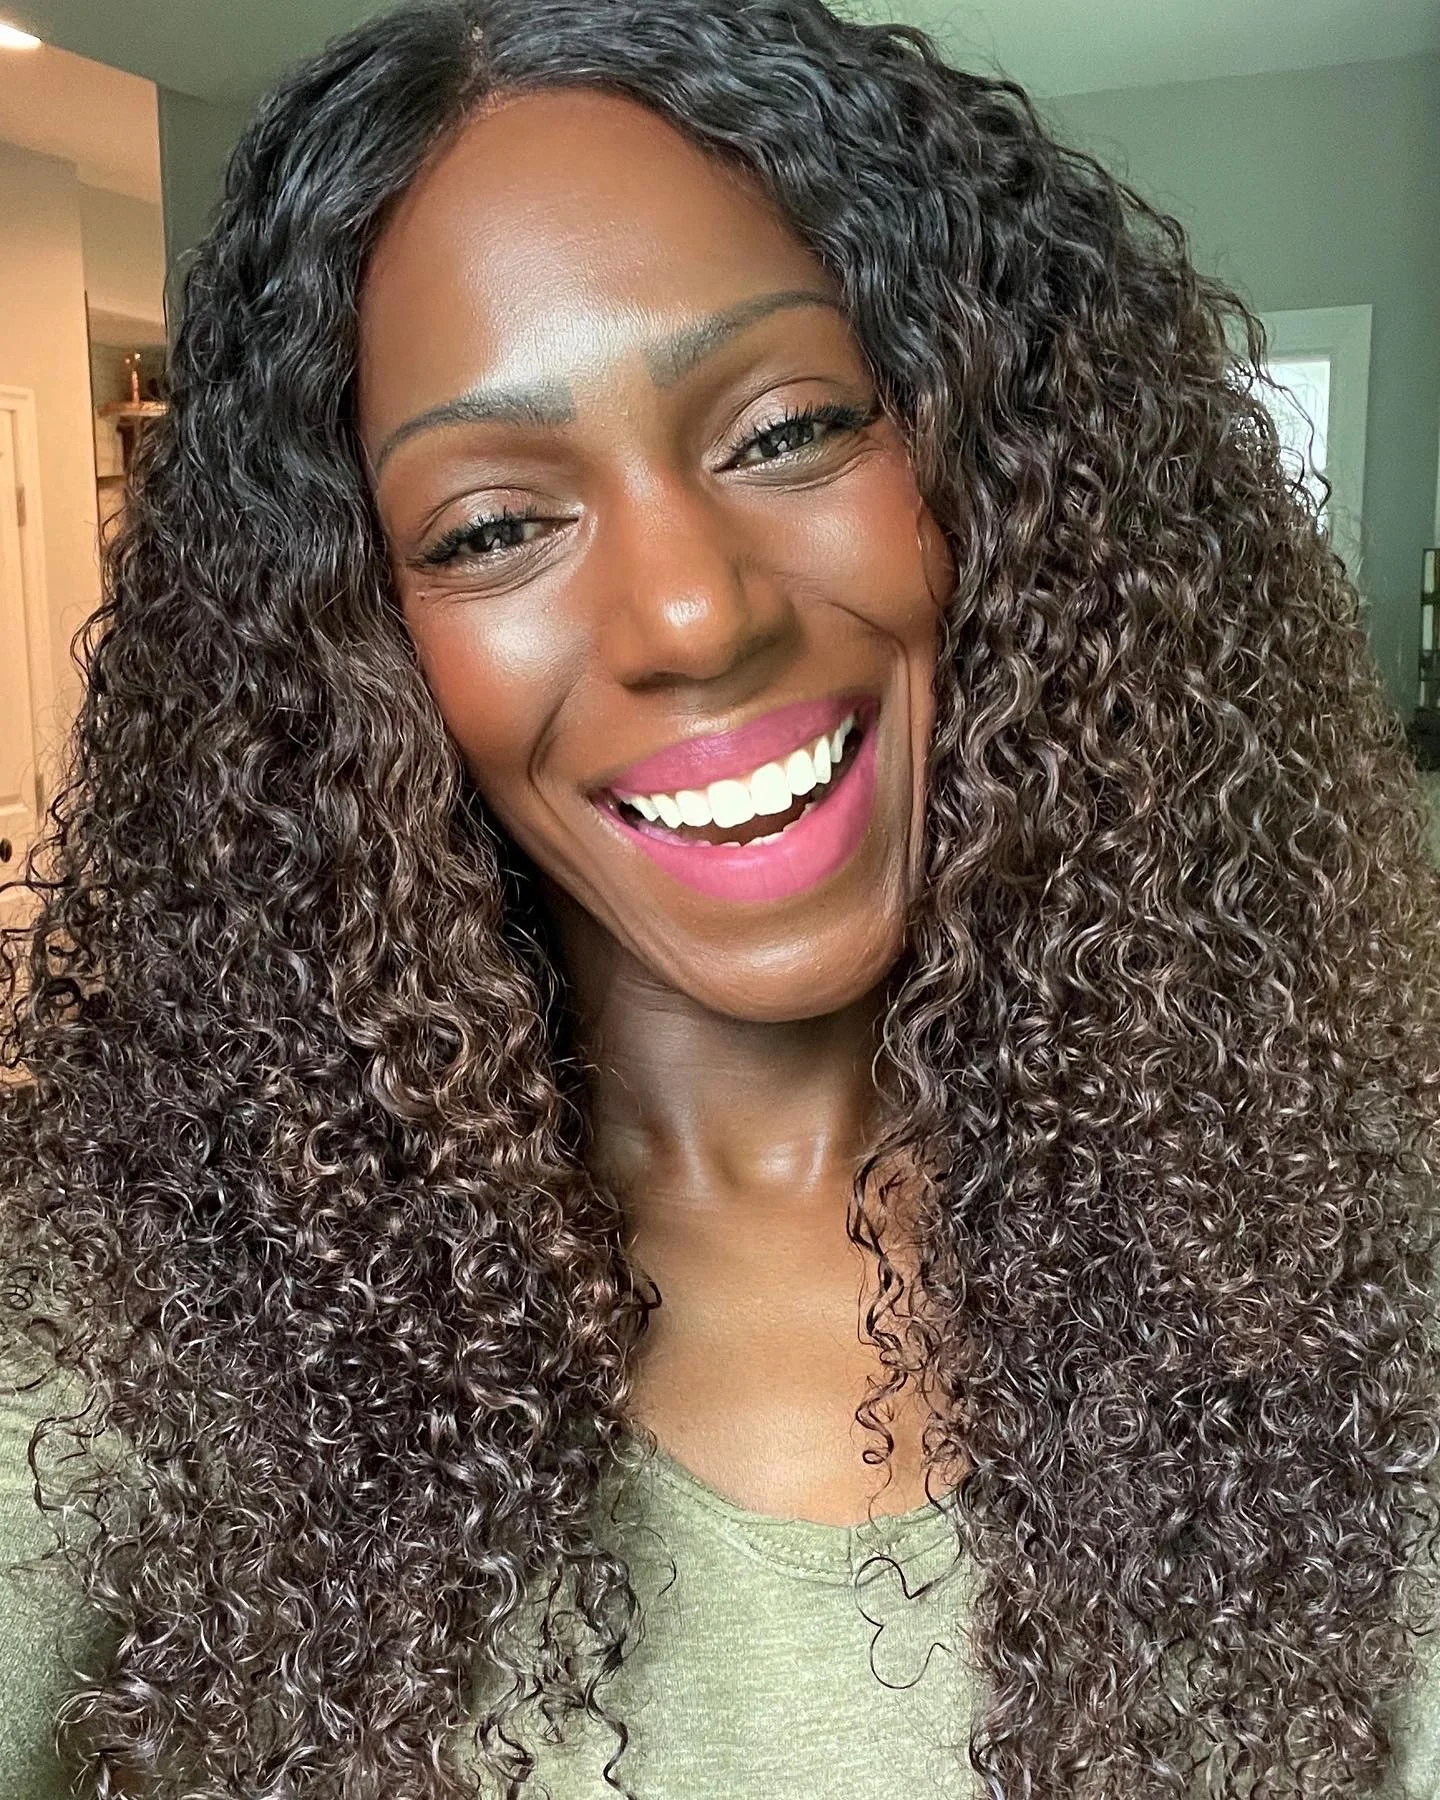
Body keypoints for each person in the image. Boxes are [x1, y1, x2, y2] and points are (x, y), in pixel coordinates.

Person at [4, 0, 1440, 1794]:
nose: (694, 613)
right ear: (347, 658)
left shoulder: (1350, 1234)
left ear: (1002, 467)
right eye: (489, 529)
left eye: (787, 428)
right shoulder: (132, 1325)